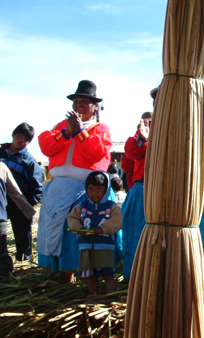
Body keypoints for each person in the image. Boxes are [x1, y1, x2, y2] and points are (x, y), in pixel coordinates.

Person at [37, 80, 113, 283]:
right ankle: (60, 272)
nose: (79, 104)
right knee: (57, 229)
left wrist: (80, 131)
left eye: (85, 101)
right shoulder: (62, 126)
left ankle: (81, 274)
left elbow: (96, 152)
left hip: (85, 191)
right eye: (76, 101)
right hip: (59, 188)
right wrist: (67, 132)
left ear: (95, 106)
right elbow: (46, 145)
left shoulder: (100, 128)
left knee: (76, 231)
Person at [68, 171, 122, 295]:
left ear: (106, 189)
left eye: (99, 189)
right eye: (91, 189)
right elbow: (72, 218)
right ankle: (93, 297)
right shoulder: (81, 206)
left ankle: (110, 297)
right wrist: (78, 228)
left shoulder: (111, 207)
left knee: (108, 275)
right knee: (91, 276)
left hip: (105, 248)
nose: (94, 193)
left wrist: (103, 228)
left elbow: (117, 221)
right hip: (87, 248)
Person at [0, 122, 43, 261]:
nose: (22, 141)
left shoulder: (29, 161)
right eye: (20, 136)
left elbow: (37, 186)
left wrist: (30, 203)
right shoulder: (1, 153)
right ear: (13, 135)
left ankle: (24, 260)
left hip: (19, 202)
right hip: (1, 201)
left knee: (22, 234)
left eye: (26, 139)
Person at [121, 111, 151, 281]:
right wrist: (143, 138)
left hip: (164, 190)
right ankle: (135, 277)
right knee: (137, 233)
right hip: (142, 190)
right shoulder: (138, 138)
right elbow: (128, 160)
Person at [0, 162, 36, 278]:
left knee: (1, 251)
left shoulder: (2, 167)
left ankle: (5, 275)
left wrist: (29, 211)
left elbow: (15, 193)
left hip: (0, 218)